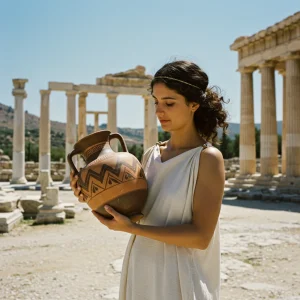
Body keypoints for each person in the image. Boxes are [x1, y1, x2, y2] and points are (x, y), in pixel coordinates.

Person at [70, 60, 228, 300]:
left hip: (180, 279)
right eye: (156, 102)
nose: (159, 111)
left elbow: (201, 237)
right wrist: (93, 194)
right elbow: (137, 211)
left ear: (194, 104)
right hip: (141, 270)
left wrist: (133, 229)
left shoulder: (207, 159)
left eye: (169, 103)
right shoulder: (150, 155)